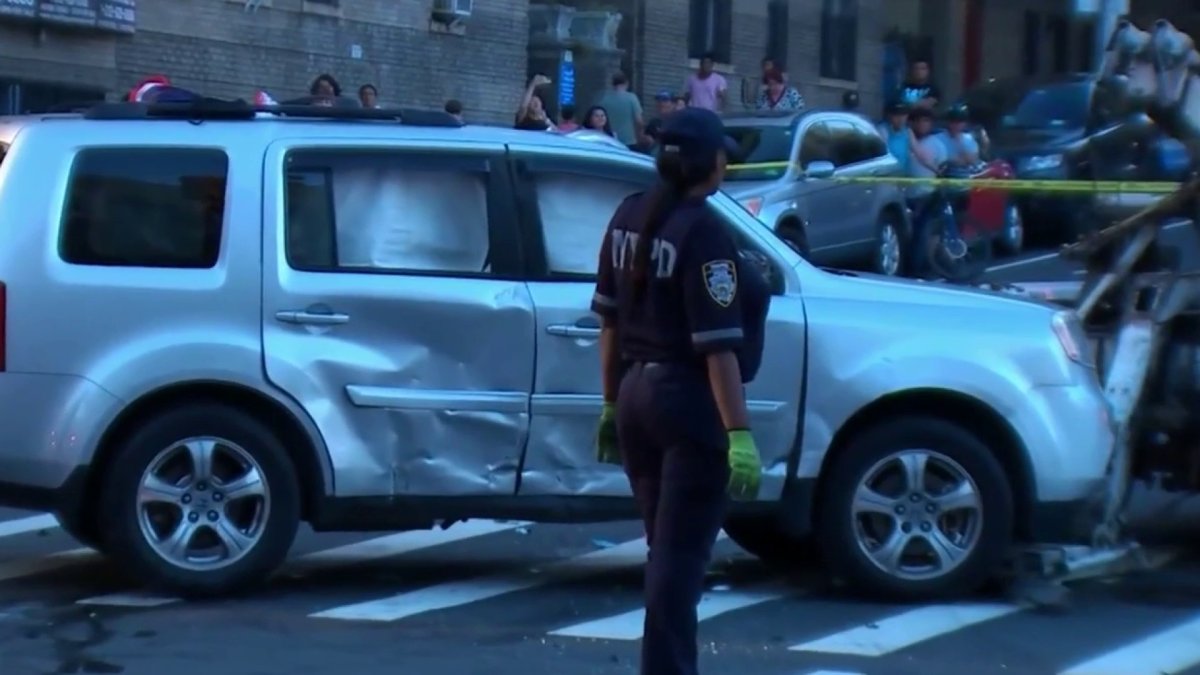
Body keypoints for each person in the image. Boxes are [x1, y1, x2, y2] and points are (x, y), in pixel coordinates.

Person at [591, 106, 768, 675]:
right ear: (709, 164)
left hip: (636, 400)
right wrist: (738, 433)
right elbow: (717, 346)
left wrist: (611, 402)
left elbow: (609, 324)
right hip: (686, 405)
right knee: (679, 565)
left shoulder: (626, 216)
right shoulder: (705, 232)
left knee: (663, 554)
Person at [595, 71, 645, 151]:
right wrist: (640, 135)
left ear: (612, 84)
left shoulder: (604, 99)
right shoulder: (632, 98)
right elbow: (639, 121)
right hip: (629, 141)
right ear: (626, 83)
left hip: (609, 140)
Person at [877, 101, 911, 172]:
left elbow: (919, 153)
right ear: (889, 116)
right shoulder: (883, 130)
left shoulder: (907, 131)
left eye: (903, 115)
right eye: (896, 115)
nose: (900, 119)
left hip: (901, 175)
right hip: (886, 175)